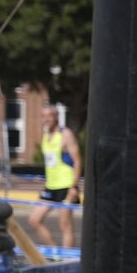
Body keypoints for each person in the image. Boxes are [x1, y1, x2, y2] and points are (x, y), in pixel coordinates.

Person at [28, 103, 81, 249]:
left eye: (49, 116)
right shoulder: (46, 136)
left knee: (64, 224)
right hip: (51, 186)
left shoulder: (65, 134)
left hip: (66, 185)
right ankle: (56, 254)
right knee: (34, 220)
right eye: (43, 116)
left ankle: (67, 260)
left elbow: (77, 161)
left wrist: (73, 186)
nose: (46, 119)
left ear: (56, 117)